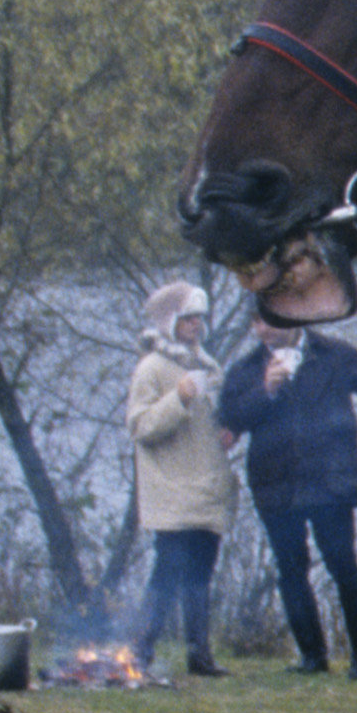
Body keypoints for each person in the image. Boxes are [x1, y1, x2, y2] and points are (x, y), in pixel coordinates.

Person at [218, 315, 357, 675]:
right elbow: (230, 418)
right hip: (275, 481)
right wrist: (265, 391)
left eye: (269, 320)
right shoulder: (247, 368)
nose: (263, 328)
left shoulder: (334, 353)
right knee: (290, 569)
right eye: (256, 322)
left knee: (343, 564)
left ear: (291, 315)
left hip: (331, 479)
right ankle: (312, 657)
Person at [125, 279, 232, 678]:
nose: (196, 326)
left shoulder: (206, 366)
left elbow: (211, 426)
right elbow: (140, 427)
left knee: (202, 573)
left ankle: (199, 656)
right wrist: (179, 399)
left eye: (199, 319)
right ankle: (139, 653)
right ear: (170, 321)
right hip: (171, 490)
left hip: (205, 488)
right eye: (188, 319)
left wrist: (228, 430)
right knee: (167, 573)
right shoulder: (151, 368)